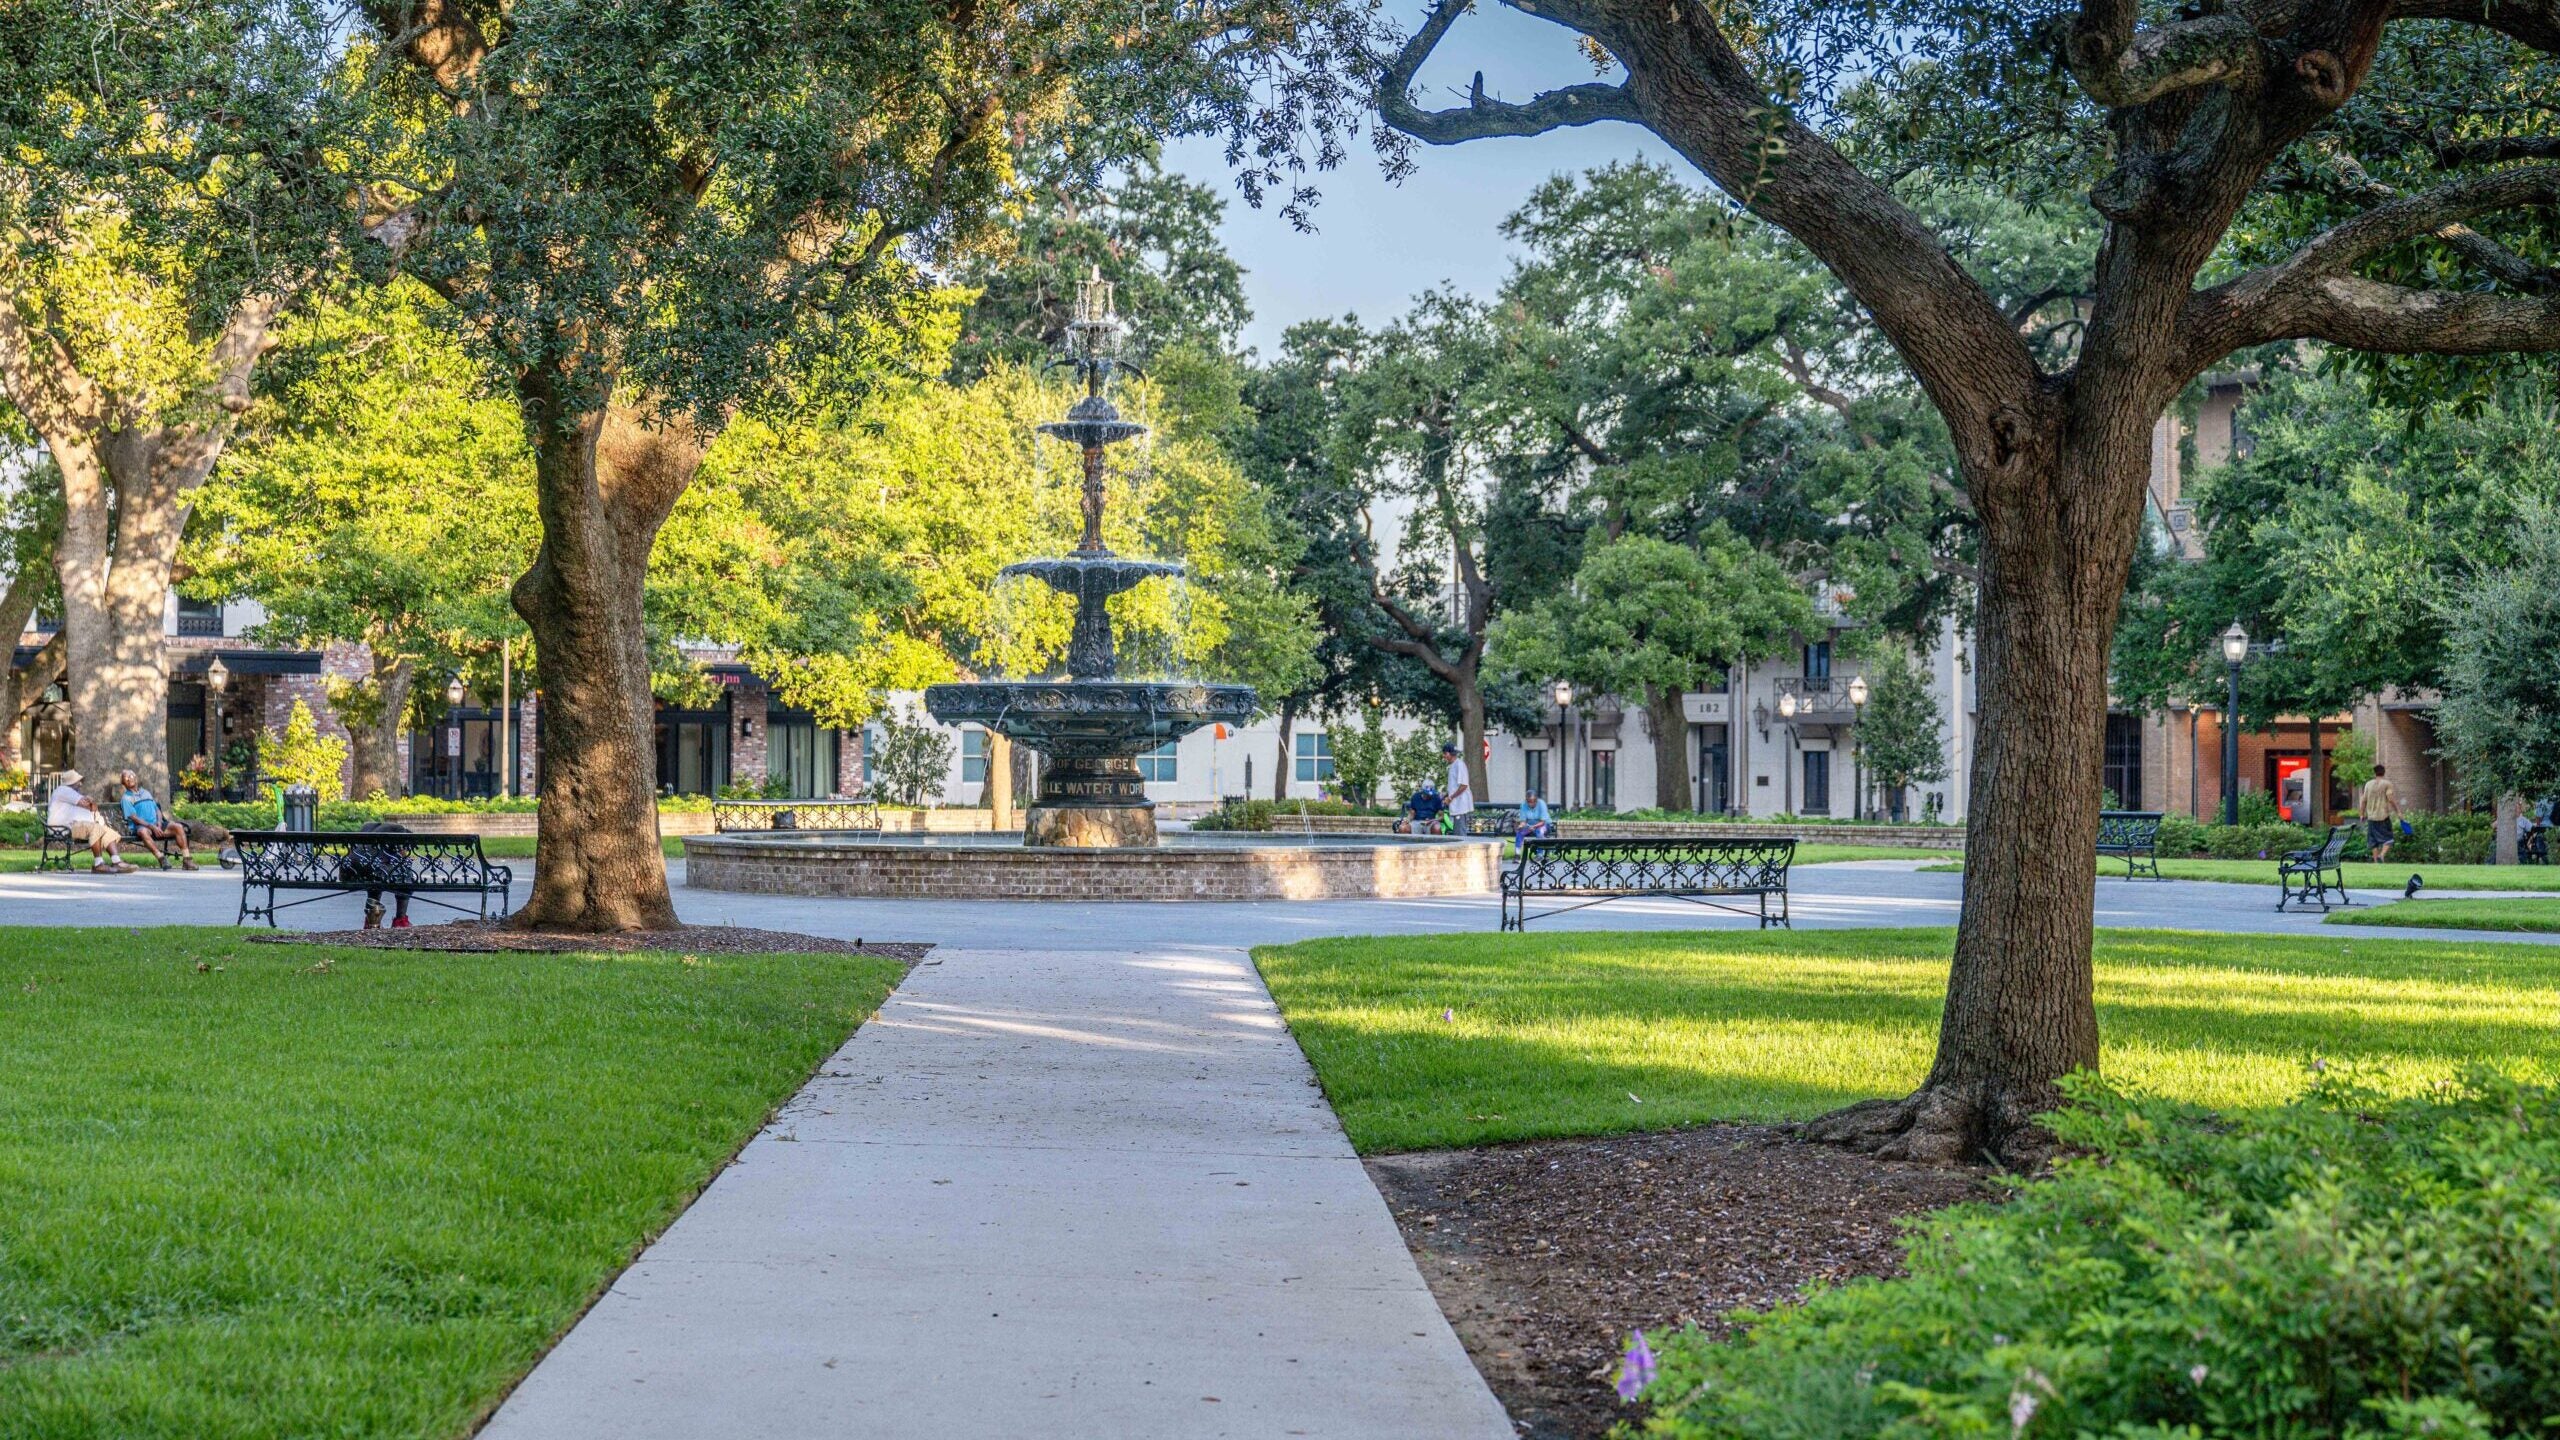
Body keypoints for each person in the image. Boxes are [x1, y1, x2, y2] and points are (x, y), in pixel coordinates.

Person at [46, 769, 134, 874]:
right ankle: (98, 864)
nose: (80, 784)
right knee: (96, 828)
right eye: (78, 781)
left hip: (72, 826)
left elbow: (93, 807)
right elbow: (88, 805)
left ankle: (117, 862)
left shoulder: (72, 793)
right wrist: (89, 801)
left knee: (106, 830)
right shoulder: (63, 790)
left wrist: (90, 802)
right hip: (62, 828)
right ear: (72, 782)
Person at [115, 769, 197, 870]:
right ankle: (161, 858)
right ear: (124, 783)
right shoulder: (126, 798)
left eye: (131, 775)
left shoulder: (146, 792)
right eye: (126, 777)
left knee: (178, 827)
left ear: (136, 778)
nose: (129, 778)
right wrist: (152, 827)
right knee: (143, 832)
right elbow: (134, 818)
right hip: (142, 827)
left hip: (156, 824)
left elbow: (157, 809)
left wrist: (159, 822)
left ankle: (187, 860)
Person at [2360, 764, 2405, 863]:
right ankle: (2382, 855)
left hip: (2371, 817)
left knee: (2373, 841)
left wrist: (2362, 814)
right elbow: (2390, 799)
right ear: (2384, 772)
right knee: (2389, 838)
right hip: (2383, 816)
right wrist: (2398, 811)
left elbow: (2363, 800)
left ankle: (2376, 862)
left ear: (2374, 773)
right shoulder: (2387, 784)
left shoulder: (2368, 784)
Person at [1441, 741, 1475, 833]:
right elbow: (1454, 786)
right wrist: (1445, 796)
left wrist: (1450, 797)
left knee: (1460, 833)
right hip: (1456, 805)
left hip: (1461, 805)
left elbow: (1464, 785)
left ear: (1449, 753)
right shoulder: (1453, 766)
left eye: (1445, 753)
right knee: (1457, 832)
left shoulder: (1459, 765)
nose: (1444, 756)